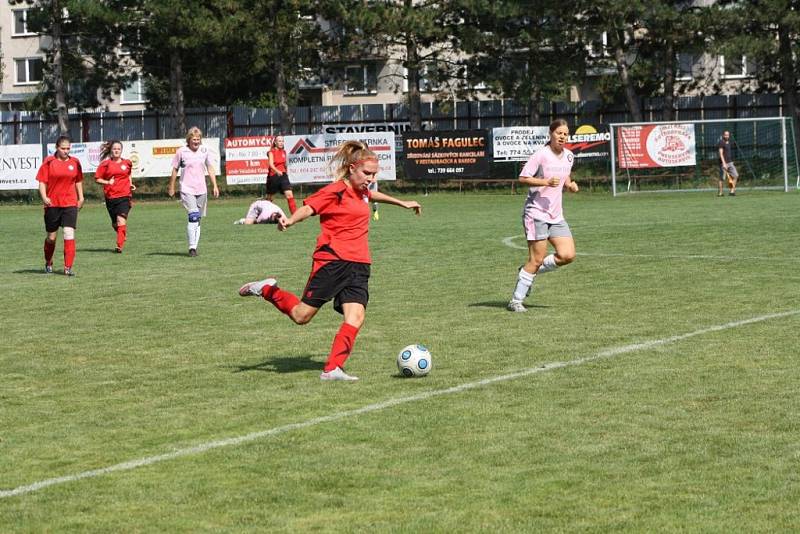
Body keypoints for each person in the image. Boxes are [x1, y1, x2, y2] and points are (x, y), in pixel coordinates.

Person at [238, 140, 422, 381]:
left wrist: (402, 203)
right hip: (332, 261)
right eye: (367, 173)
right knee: (301, 316)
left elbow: (371, 194)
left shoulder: (363, 191)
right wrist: (291, 220)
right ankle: (267, 289)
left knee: (356, 317)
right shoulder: (334, 191)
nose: (370, 178)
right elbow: (310, 208)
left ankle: (332, 369)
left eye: (374, 174)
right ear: (352, 168)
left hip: (359, 264)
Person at [507, 118, 579, 313]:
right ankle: (516, 300)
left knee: (568, 255)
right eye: (559, 133)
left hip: (556, 215)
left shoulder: (569, 156)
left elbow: (566, 177)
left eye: (565, 134)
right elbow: (522, 178)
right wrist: (545, 182)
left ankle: (527, 272)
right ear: (551, 134)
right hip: (536, 213)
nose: (563, 137)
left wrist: (570, 185)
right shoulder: (541, 155)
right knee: (536, 259)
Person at [37, 135, 84, 276]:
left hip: (70, 203)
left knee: (68, 233)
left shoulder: (75, 162)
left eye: (68, 148)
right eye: (63, 148)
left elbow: (78, 181)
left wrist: (81, 197)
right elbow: (42, 182)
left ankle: (68, 267)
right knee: (51, 238)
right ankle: (48, 261)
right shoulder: (49, 162)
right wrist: (44, 197)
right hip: (52, 204)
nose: (66, 151)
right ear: (57, 148)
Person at [168, 126, 219, 256]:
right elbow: (175, 169)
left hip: (201, 189)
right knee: (193, 216)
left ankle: (194, 247)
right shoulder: (181, 152)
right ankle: (191, 248)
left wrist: (214, 185)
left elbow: (210, 168)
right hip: (186, 188)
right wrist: (171, 187)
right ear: (189, 139)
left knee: (198, 220)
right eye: (193, 139)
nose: (196, 141)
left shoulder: (204, 151)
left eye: (198, 139)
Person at [95, 140, 136, 253]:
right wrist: (108, 183)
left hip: (124, 196)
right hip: (110, 197)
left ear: (121, 150)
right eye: (114, 149)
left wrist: (130, 183)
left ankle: (119, 246)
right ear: (111, 151)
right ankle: (121, 234)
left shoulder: (127, 163)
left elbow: (128, 174)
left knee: (120, 220)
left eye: (118, 149)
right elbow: (97, 179)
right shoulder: (105, 164)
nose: (116, 150)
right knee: (115, 224)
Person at [266, 135, 297, 215]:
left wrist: (286, 170)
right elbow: (271, 164)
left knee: (289, 194)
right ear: (275, 143)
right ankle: (265, 213)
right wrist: (277, 171)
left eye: (282, 141)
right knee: (270, 198)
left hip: (283, 175)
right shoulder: (271, 152)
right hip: (273, 176)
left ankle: (295, 215)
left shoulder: (284, 152)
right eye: (279, 141)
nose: (281, 143)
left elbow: (285, 164)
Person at [717, 130, 738, 196]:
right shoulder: (721, 142)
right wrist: (724, 163)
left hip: (730, 162)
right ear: (723, 135)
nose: (727, 136)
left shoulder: (729, 142)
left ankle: (732, 191)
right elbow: (720, 154)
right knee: (722, 178)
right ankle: (720, 193)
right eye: (725, 135)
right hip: (723, 163)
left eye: (728, 135)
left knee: (736, 175)